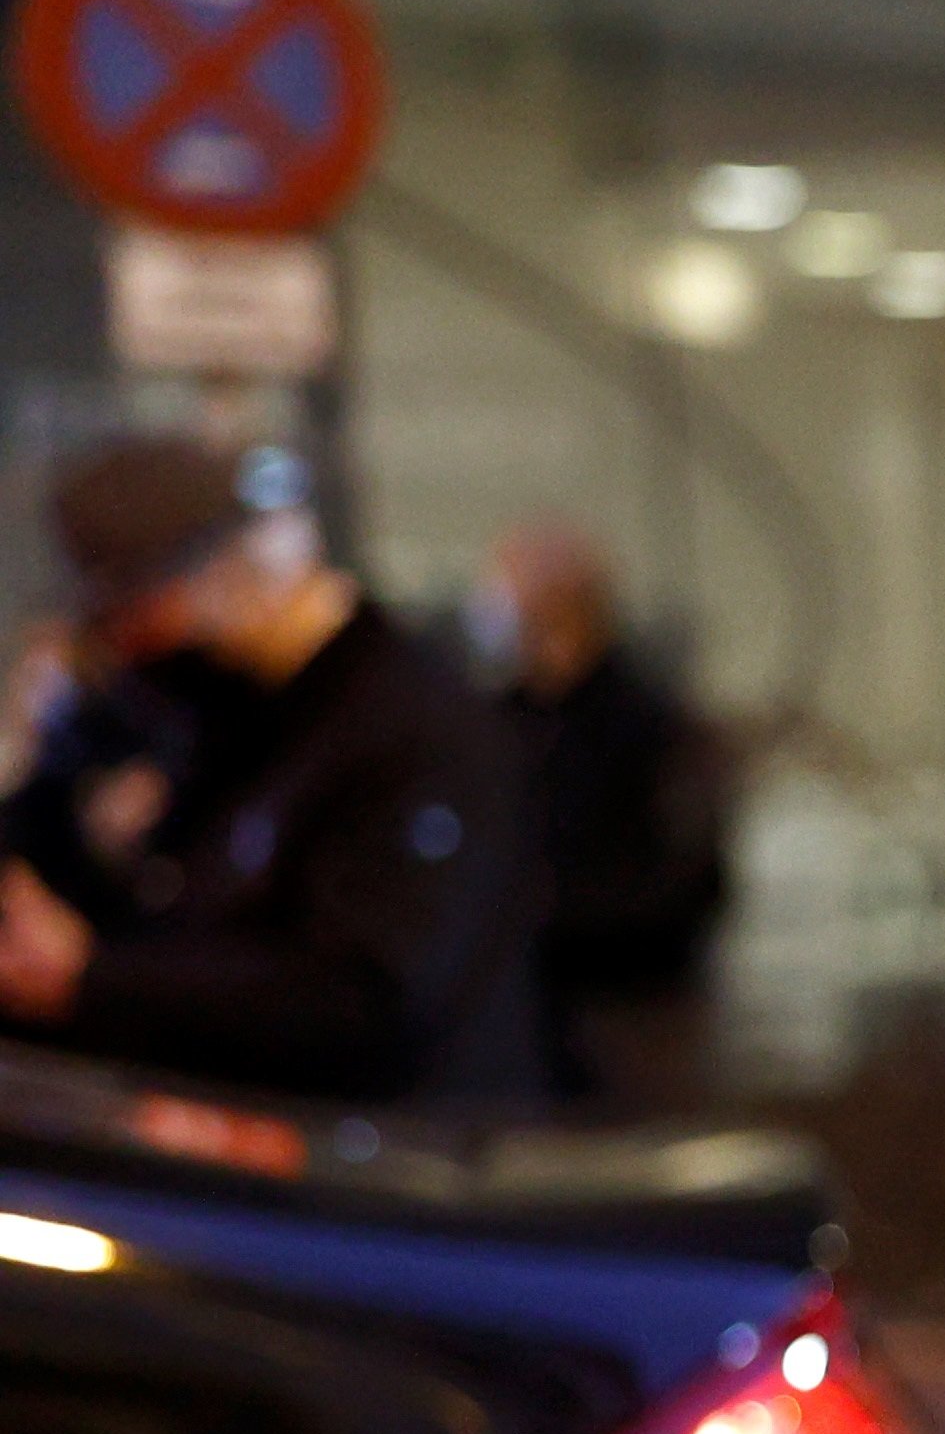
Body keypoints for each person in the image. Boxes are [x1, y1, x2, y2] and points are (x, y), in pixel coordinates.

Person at [0, 439, 544, 1104]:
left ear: (226, 573)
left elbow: (362, 1001)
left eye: (137, 617)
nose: (128, 649)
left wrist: (95, 979)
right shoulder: (231, 713)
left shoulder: (415, 731)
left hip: (383, 1176)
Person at [476, 519, 732, 1107]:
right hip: (526, 1027)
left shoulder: (649, 728)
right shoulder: (501, 724)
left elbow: (690, 881)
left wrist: (546, 917)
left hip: (633, 1021)